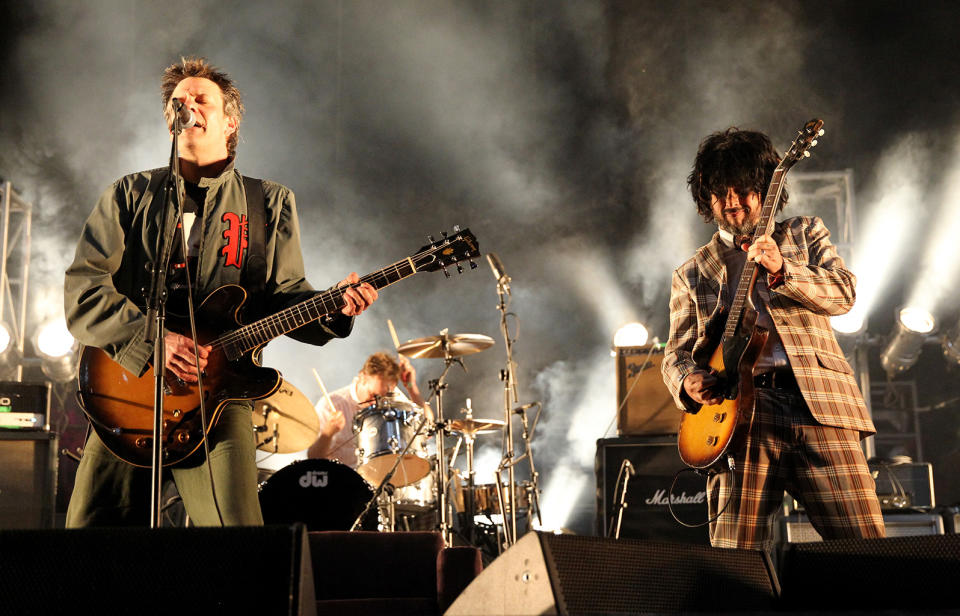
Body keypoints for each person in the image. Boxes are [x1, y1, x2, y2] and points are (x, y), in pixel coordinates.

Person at [64, 57, 378, 527]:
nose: (186, 106)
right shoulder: (129, 195)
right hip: (127, 391)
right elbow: (84, 288)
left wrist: (334, 308)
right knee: (90, 538)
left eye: (200, 99)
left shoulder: (269, 203)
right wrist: (153, 341)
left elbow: (286, 295)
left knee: (237, 543)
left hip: (219, 400)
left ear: (229, 121)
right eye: (177, 102)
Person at [661, 127, 885, 549]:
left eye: (743, 190)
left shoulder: (804, 233)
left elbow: (845, 294)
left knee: (868, 552)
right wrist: (687, 380)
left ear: (765, 191)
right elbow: (675, 353)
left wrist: (785, 269)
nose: (733, 202)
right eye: (720, 193)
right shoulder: (691, 272)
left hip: (821, 408)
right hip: (739, 416)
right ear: (705, 200)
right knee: (736, 558)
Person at [308, 351, 433, 470]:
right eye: (373, 395)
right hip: (342, 483)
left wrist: (411, 387)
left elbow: (428, 426)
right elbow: (312, 457)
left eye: (383, 397)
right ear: (362, 377)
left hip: (380, 482)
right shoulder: (331, 405)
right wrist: (327, 434)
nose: (377, 402)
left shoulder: (389, 396)